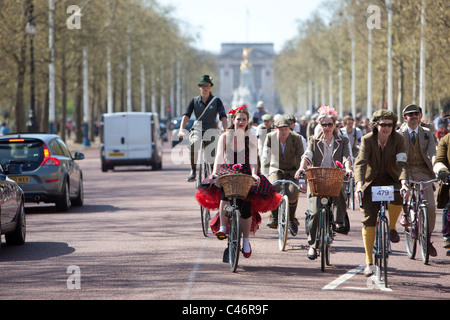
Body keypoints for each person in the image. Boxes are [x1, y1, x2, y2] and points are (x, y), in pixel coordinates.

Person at [195, 106, 282, 259]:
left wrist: (255, 175)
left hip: (247, 171)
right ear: (233, 120)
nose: (241, 122)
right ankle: (222, 227)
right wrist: (215, 172)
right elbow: (218, 159)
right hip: (228, 170)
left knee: (246, 206)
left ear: (247, 122)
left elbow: (254, 161)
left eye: (244, 119)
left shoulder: (251, 138)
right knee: (224, 189)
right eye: (238, 119)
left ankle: (246, 241)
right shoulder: (224, 137)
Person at [353, 109, 410, 277]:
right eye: (383, 124)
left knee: (400, 194)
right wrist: (359, 186)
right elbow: (361, 163)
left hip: (392, 179)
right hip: (372, 182)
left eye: (390, 125)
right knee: (369, 219)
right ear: (376, 125)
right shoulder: (367, 140)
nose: (386, 128)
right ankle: (369, 262)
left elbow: (402, 163)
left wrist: (404, 183)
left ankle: (392, 227)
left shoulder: (398, 139)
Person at [294, 106, 353, 260]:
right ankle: (313, 245)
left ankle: (338, 220)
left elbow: (347, 157)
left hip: (334, 178)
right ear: (319, 125)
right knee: (313, 213)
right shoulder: (314, 140)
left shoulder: (343, 140)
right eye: (323, 125)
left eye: (329, 124)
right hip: (317, 179)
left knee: (341, 189)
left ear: (335, 126)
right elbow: (307, 155)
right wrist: (301, 168)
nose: (326, 128)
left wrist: (348, 168)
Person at [398, 104, 437, 257]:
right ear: (405, 118)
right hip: (405, 170)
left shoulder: (427, 132)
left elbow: (433, 152)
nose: (413, 116)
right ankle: (405, 213)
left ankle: (427, 238)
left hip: (424, 171)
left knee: (431, 208)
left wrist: (436, 167)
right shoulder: (399, 134)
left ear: (420, 116)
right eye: (410, 114)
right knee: (405, 192)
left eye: (416, 114)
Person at [178, 75, 228, 182]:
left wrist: (226, 130)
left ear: (210, 87)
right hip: (198, 129)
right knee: (193, 144)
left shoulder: (216, 101)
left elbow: (223, 116)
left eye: (207, 86)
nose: (205, 88)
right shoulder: (194, 101)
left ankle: (213, 172)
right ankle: (193, 170)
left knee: (213, 152)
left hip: (212, 129)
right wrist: (181, 129)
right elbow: (186, 115)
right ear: (199, 87)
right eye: (203, 86)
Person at [262, 116, 305, 235]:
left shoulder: (297, 138)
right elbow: (265, 156)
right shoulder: (270, 137)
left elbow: (301, 157)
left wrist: (301, 176)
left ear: (290, 128)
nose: (283, 132)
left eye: (286, 129)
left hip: (293, 170)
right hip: (276, 168)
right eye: (280, 129)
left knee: (292, 192)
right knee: (272, 188)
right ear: (276, 129)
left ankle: (291, 219)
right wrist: (265, 175)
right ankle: (275, 217)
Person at [433, 129, 450, 256]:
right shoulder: (445, 140)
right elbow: (439, 159)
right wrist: (443, 171)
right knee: (448, 205)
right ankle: (447, 235)